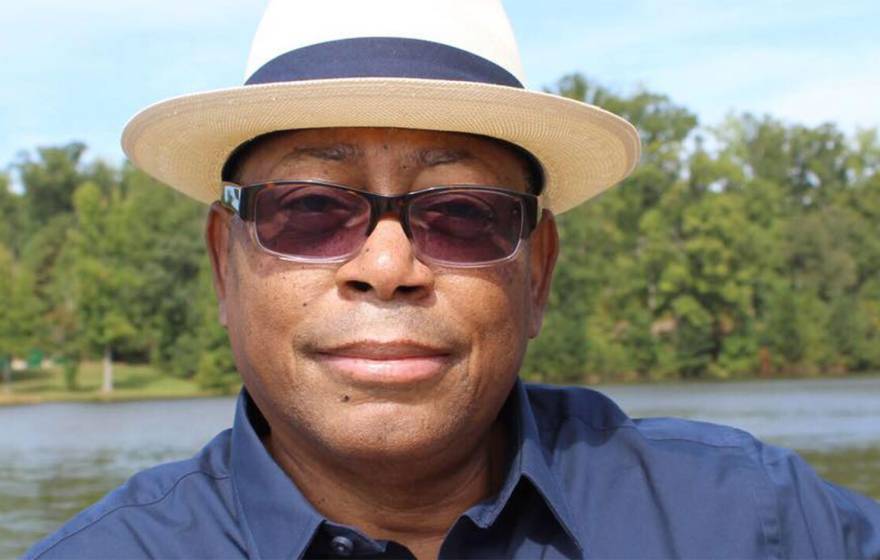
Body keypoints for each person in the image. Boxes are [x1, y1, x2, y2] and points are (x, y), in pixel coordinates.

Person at [27, 1, 880, 559]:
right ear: (225, 263)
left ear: (537, 271)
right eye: (311, 209)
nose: (388, 268)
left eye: (463, 213)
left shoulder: (753, 521)